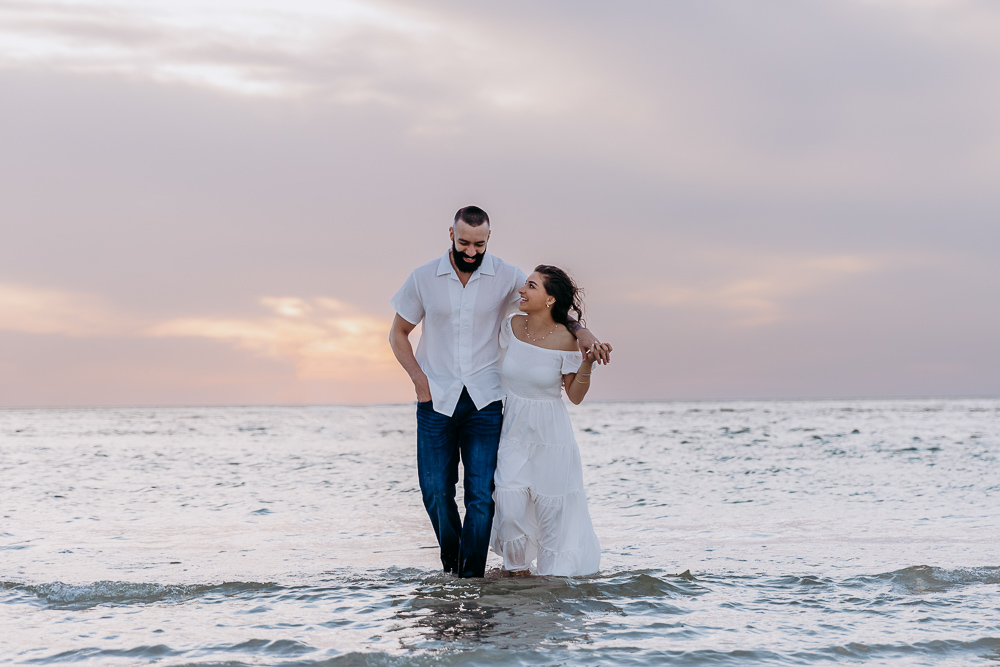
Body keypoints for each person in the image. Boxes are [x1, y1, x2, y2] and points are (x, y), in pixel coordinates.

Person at [389, 206, 609, 578]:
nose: (472, 252)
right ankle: (452, 568)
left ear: (488, 239)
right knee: (436, 494)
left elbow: (550, 301)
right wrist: (418, 380)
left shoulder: (507, 276)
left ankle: (471, 578)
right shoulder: (423, 278)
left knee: (481, 497)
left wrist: (581, 331)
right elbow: (397, 334)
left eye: (479, 244)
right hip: (435, 400)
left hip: (485, 400)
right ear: (450, 234)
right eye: (464, 243)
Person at [490, 265, 608, 577]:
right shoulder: (510, 326)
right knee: (508, 501)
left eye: (531, 286)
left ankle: (552, 588)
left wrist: (587, 364)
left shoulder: (567, 341)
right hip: (513, 432)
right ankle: (516, 574)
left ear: (550, 299)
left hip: (552, 437)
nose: (522, 291)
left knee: (552, 513)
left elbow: (575, 395)